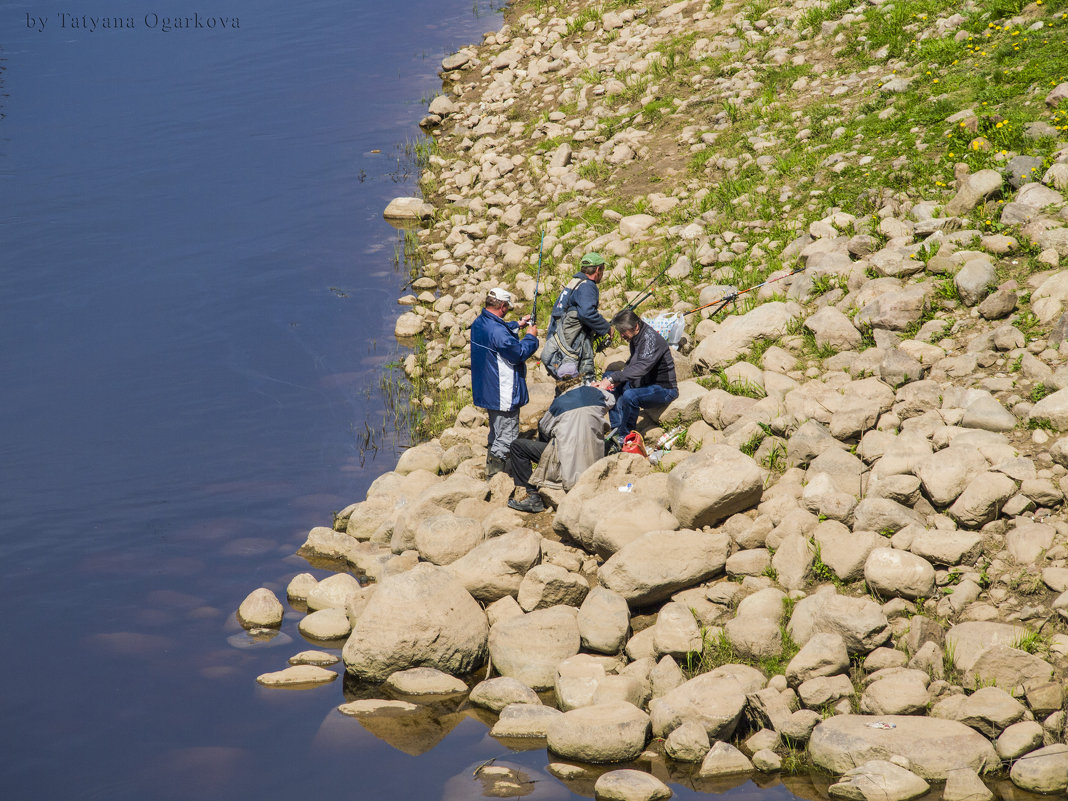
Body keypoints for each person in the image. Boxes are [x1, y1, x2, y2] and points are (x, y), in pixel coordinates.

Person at [505, 378, 615, 513]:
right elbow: (612, 400)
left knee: (517, 446)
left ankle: (533, 497)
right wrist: (597, 388)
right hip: (594, 457)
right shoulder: (596, 394)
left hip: (567, 464)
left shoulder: (559, 403)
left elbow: (544, 428)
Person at [471, 287, 539, 477]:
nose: (507, 309)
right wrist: (531, 337)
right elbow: (518, 353)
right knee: (507, 437)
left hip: (487, 390)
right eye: (507, 306)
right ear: (502, 306)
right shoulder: (498, 333)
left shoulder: (480, 322)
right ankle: (494, 478)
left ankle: (491, 469)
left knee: (496, 433)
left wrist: (518, 324)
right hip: (503, 392)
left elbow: (498, 332)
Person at [594, 308, 678, 448]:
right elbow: (632, 365)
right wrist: (613, 379)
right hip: (643, 382)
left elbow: (641, 368)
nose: (621, 336)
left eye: (623, 332)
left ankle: (626, 436)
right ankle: (617, 427)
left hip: (663, 388)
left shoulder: (651, 340)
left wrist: (614, 379)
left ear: (636, 326)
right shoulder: (636, 337)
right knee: (608, 377)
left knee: (629, 395)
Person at [540, 252, 612, 380]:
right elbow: (587, 313)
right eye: (602, 270)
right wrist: (606, 328)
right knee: (584, 379)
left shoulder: (573, 283)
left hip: (560, 342)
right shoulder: (587, 286)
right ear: (597, 270)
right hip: (575, 346)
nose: (602, 274)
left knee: (566, 384)